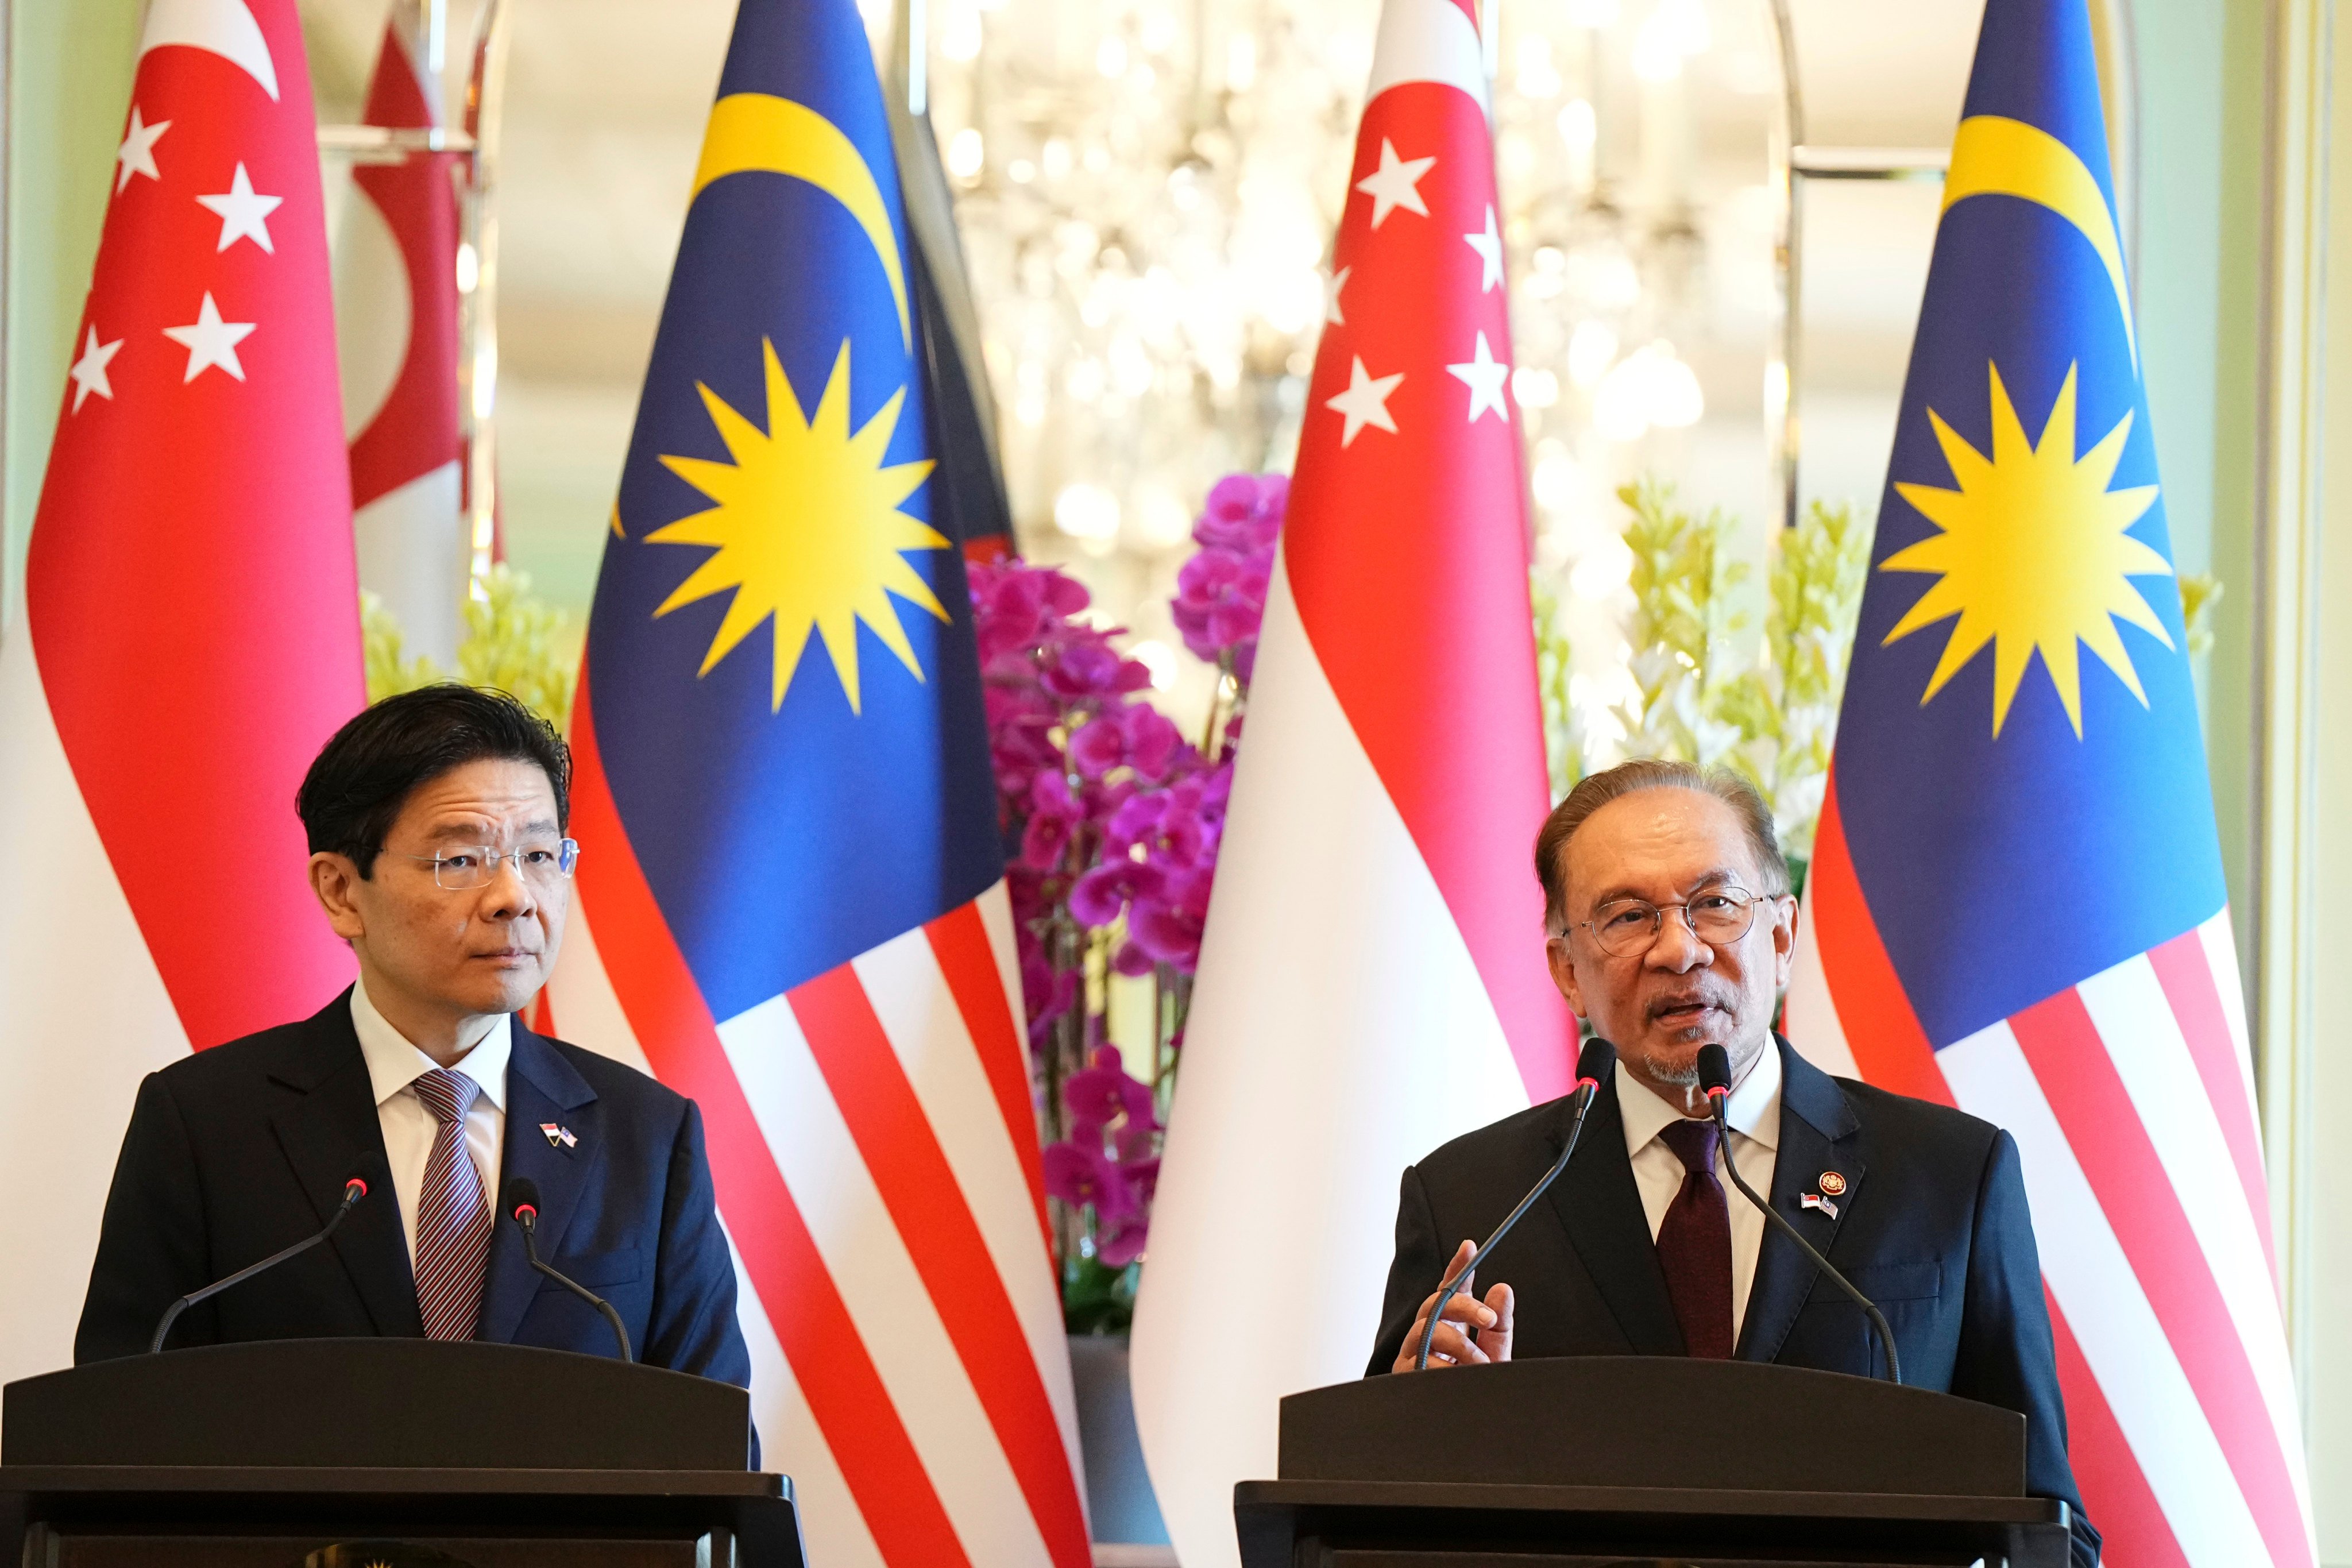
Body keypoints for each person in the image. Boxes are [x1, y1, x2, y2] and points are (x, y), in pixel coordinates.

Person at [1366, 758, 2098, 1568]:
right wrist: (1411, 1430)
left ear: (1782, 936)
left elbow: (2047, 1527)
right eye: (1625, 916)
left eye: (1714, 904)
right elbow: (1369, 1523)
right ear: (1567, 971)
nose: (1678, 950)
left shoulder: (1950, 1176)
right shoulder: (1473, 1197)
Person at [75, 685, 751, 1395]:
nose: (514, 897)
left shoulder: (645, 1135)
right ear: (341, 891)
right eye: (460, 861)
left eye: (541, 856)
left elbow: (715, 1451)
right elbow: (116, 1431)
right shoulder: (204, 1126)